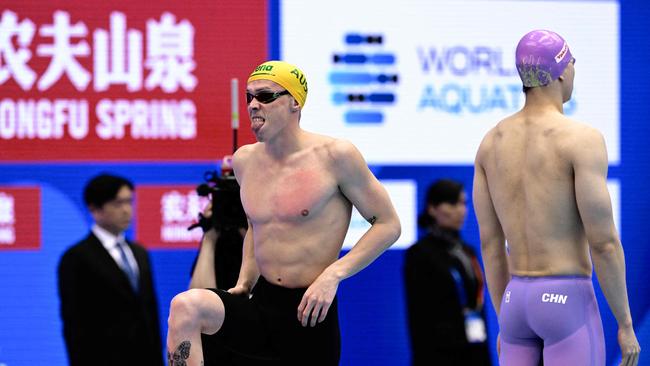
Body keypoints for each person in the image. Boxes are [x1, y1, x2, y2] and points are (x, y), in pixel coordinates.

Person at [166, 60, 402, 365]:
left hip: (310, 312)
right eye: (249, 97)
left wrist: (332, 276)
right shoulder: (244, 161)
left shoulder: (335, 156)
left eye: (265, 96)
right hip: (261, 304)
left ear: (294, 102)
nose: (253, 105)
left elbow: (388, 224)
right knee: (186, 306)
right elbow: (257, 225)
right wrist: (244, 282)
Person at [473, 29, 640, 365]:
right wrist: (624, 323)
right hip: (567, 300)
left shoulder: (490, 144)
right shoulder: (580, 139)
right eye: (573, 63)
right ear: (561, 71)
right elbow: (604, 242)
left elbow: (491, 246)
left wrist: (505, 322)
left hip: (515, 302)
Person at [57, 174, 163, 366]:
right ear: (94, 208)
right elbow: (74, 325)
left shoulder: (140, 253)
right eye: (117, 203)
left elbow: (150, 313)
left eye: (129, 202)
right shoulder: (76, 258)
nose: (126, 210)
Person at [404, 179, 491, 365]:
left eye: (463, 203)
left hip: (475, 348)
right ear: (433, 208)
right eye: (452, 203)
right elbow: (418, 317)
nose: (461, 210)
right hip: (439, 354)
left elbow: (477, 304)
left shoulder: (468, 251)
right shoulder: (419, 254)